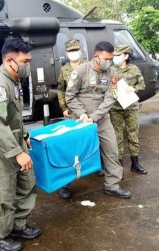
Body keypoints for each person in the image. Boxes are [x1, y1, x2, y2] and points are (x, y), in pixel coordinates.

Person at [0, 36, 41, 251]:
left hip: (13, 141)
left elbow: (13, 117)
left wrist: (23, 136)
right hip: (0, 147)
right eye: (25, 62)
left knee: (26, 183)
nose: (28, 66)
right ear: (9, 62)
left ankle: (17, 226)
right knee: (2, 191)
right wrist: (17, 153)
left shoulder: (13, 81)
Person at [65, 41, 132, 199]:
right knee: (74, 153)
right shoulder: (80, 71)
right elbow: (70, 96)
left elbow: (111, 98)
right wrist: (82, 114)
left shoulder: (112, 73)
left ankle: (112, 185)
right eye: (105, 59)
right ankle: (64, 185)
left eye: (110, 59)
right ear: (96, 57)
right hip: (80, 120)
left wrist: (94, 117)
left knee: (112, 150)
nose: (108, 62)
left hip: (101, 119)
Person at [56, 39, 87, 199]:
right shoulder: (65, 70)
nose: (74, 53)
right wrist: (64, 108)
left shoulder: (88, 66)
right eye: (71, 51)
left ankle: (96, 167)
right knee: (72, 146)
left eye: (76, 50)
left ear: (80, 50)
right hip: (74, 112)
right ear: (66, 53)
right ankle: (65, 184)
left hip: (90, 112)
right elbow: (61, 90)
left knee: (93, 141)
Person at [109, 45, 147, 174]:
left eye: (118, 55)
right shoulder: (110, 70)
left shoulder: (134, 69)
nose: (115, 58)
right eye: (114, 55)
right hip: (115, 108)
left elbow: (142, 84)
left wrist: (133, 89)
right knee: (117, 137)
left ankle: (135, 164)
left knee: (133, 135)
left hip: (131, 107)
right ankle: (119, 165)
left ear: (126, 56)